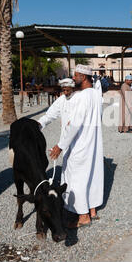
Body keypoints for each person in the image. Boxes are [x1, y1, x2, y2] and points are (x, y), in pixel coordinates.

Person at [49, 64, 104, 228]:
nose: (74, 79)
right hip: (92, 143)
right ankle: (92, 210)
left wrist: (60, 145)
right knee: (91, 176)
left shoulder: (82, 96)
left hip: (79, 145)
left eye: (76, 76)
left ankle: (83, 216)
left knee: (77, 179)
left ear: (84, 77)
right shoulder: (96, 94)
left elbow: (75, 125)